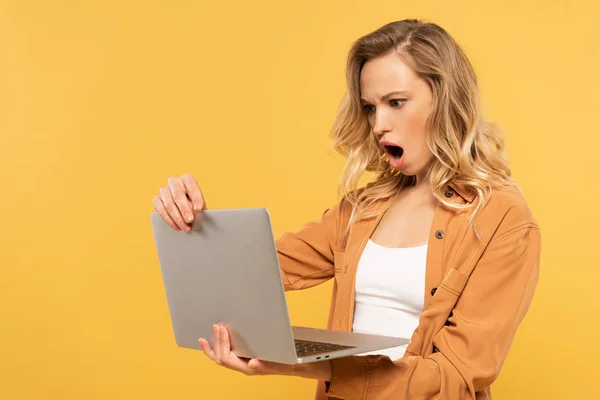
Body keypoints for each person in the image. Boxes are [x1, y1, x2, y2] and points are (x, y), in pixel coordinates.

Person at [152, 19, 540, 400]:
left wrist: (314, 366)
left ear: (445, 98)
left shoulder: (501, 218)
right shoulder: (361, 209)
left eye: (396, 103)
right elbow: (254, 268)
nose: (379, 125)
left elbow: (457, 374)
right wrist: (192, 222)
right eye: (370, 107)